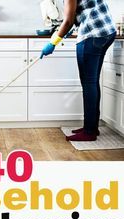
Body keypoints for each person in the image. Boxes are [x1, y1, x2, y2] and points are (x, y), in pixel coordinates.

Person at [40, 0, 116, 141]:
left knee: (88, 84)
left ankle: (89, 132)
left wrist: (52, 43)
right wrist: (69, 28)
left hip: (92, 34)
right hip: (107, 32)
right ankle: (92, 127)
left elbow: (68, 20)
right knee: (92, 83)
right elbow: (76, 15)